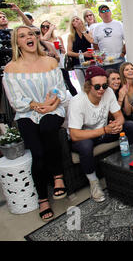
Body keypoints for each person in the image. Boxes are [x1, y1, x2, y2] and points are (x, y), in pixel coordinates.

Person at [3, 25, 68, 221]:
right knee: (37, 153)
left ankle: (58, 176)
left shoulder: (50, 61)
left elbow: (60, 89)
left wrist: (51, 104)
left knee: (48, 127)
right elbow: (15, 100)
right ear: (17, 42)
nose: (28, 37)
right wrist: (34, 105)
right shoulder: (11, 68)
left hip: (53, 109)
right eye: (22, 36)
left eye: (31, 34)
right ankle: (42, 199)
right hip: (26, 113)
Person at [68, 66, 133, 202]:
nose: (102, 89)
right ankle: (94, 182)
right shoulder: (77, 102)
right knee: (86, 145)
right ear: (88, 86)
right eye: (97, 86)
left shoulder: (108, 92)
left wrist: (117, 124)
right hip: (85, 137)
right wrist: (105, 130)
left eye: (104, 85)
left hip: (104, 132)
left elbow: (119, 116)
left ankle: (132, 163)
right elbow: (74, 134)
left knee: (130, 126)